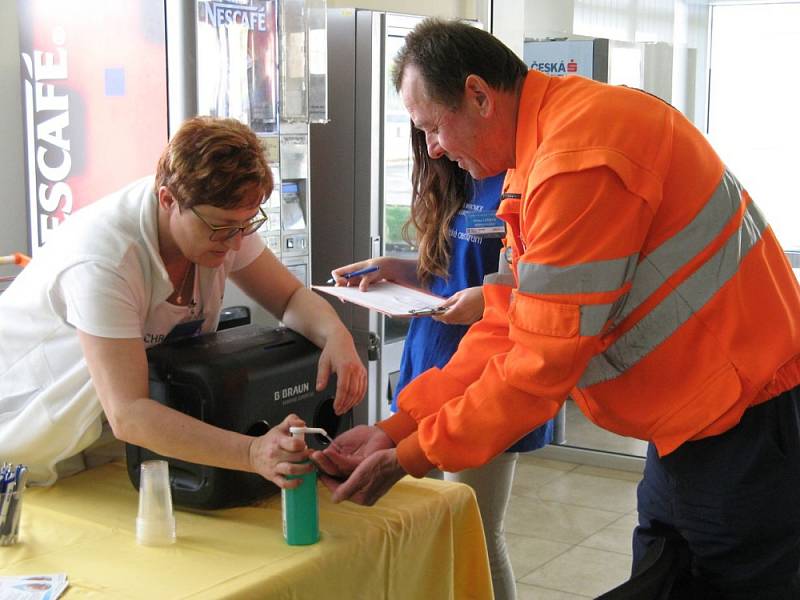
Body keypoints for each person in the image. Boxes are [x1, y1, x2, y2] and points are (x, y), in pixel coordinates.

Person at [312, 18, 800, 598]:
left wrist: (411, 454)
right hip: (691, 429)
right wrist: (396, 429)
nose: (433, 149)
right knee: (662, 578)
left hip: (746, 428)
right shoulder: (540, 150)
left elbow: (539, 366)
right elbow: (508, 325)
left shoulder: (578, 157)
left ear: (478, 94)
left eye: (433, 127)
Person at [0, 116, 367, 489]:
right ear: (167, 199)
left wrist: (335, 333)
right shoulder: (105, 259)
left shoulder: (220, 223)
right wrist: (252, 453)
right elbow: (128, 412)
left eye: (246, 225)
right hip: (29, 435)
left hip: (112, 437)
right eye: (223, 229)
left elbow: (289, 297)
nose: (236, 243)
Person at [330, 126, 552, 600]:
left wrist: (489, 299)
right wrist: (395, 268)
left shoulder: (521, 177)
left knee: (473, 529)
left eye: (436, 126)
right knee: (421, 523)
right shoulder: (446, 175)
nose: (433, 144)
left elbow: (542, 287)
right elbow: (448, 271)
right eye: (423, 132)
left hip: (489, 373)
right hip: (430, 361)